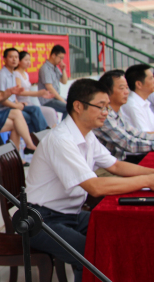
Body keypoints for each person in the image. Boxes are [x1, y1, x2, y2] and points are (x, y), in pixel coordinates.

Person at [27, 78, 154, 282]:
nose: (106, 113)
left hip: (71, 214)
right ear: (78, 106)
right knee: (92, 257)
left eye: (107, 107)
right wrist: (147, 181)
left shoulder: (86, 135)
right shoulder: (61, 140)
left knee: (120, 229)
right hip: (42, 219)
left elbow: (115, 165)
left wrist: (150, 174)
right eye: (101, 106)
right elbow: (94, 187)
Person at [94, 70, 154, 162]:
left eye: (127, 88)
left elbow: (134, 133)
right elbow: (128, 143)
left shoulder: (116, 111)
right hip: (108, 166)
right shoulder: (103, 115)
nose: (126, 92)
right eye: (122, 88)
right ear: (106, 91)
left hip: (119, 161)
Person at [0, 48, 49, 133]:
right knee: (30, 116)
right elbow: (1, 98)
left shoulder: (13, 73)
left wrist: (18, 103)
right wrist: (16, 106)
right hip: (4, 109)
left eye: (16, 57)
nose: (14, 59)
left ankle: (41, 136)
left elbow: (13, 96)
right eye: (11, 57)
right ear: (4, 59)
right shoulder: (1, 75)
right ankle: (42, 136)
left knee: (35, 109)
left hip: (13, 106)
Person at [14, 51, 58, 128]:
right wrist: (38, 93)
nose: (28, 62)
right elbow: (19, 92)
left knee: (51, 112)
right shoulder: (16, 74)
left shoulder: (26, 74)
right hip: (22, 103)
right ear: (19, 61)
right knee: (49, 112)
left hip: (29, 103)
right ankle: (44, 132)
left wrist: (40, 94)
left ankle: (51, 131)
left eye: (29, 60)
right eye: (26, 60)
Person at [37, 44, 69, 119]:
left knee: (73, 104)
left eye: (62, 58)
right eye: (60, 58)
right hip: (47, 100)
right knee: (68, 107)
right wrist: (63, 101)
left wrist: (63, 69)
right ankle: (63, 126)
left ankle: (65, 125)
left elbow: (64, 81)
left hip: (55, 98)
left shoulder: (55, 68)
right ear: (54, 55)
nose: (61, 61)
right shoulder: (45, 68)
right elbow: (50, 88)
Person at [121, 64, 154, 133]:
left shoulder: (144, 102)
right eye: (151, 78)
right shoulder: (132, 105)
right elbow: (144, 135)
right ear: (139, 84)